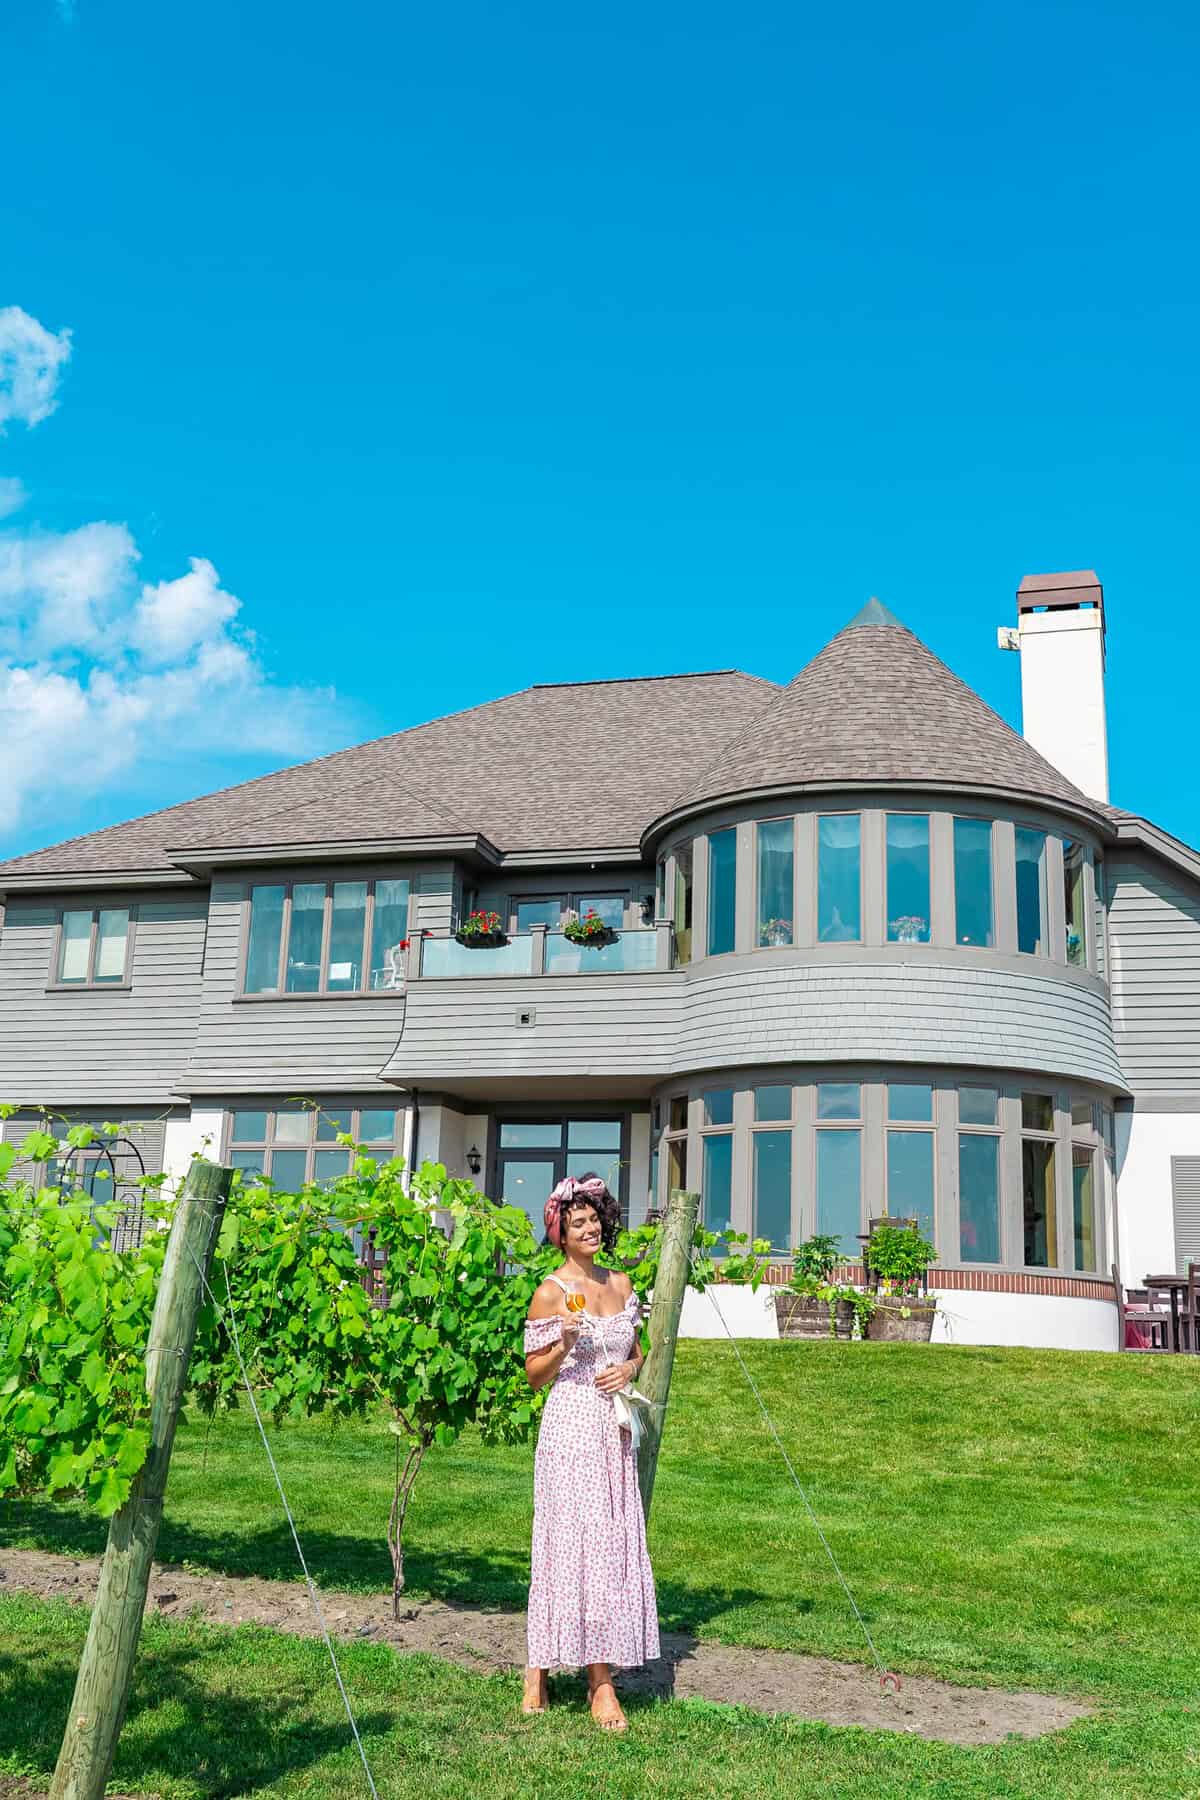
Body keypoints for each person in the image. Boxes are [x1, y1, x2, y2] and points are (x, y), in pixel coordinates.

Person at [521, 1173, 660, 1732]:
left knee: (607, 1546)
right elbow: (534, 1377)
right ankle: (556, 1672)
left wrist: (629, 1367)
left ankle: (592, 1673)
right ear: (561, 1232)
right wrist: (565, 1343)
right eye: (578, 1222)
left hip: (613, 1431)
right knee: (568, 1546)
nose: (591, 1228)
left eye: (595, 1218)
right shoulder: (551, 1292)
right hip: (571, 1425)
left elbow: (640, 1350)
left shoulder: (623, 1285)